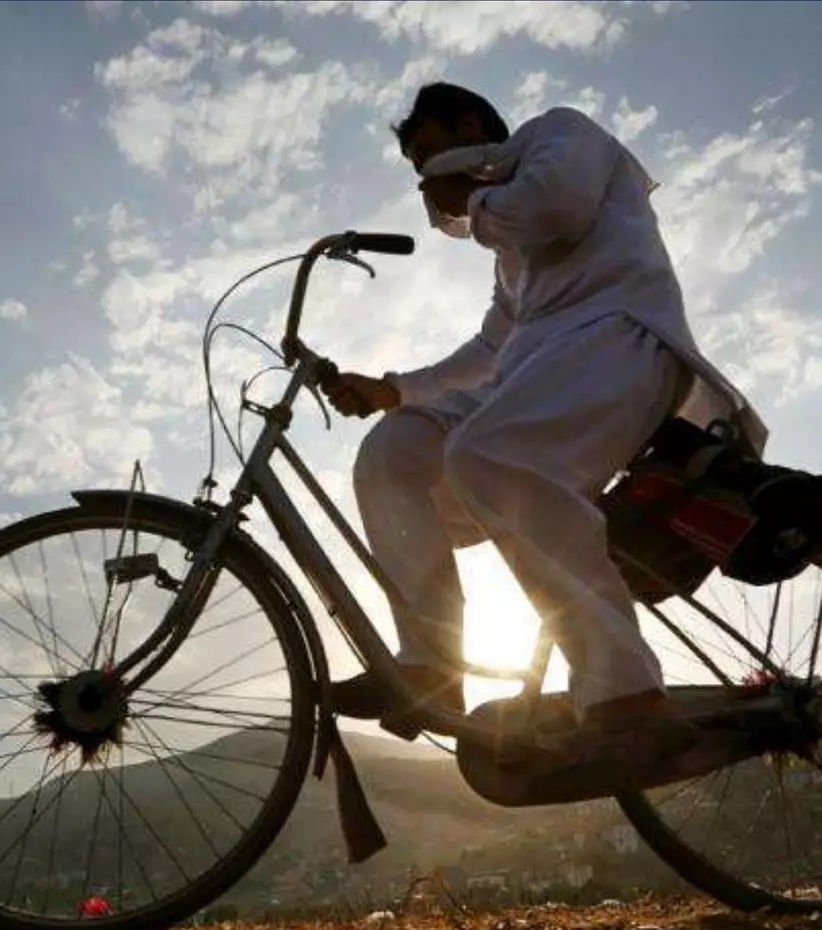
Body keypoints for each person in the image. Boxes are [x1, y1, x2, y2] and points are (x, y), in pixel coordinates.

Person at [322, 82, 770, 782]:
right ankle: (431, 665)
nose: (426, 180)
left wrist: (472, 201)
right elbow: (486, 352)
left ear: (472, 126)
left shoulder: (557, 135)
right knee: (395, 450)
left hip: (620, 340)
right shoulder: (512, 263)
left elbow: (557, 208)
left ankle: (628, 697)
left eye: (432, 154)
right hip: (536, 374)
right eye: (418, 169)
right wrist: (395, 390)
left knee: (489, 454)